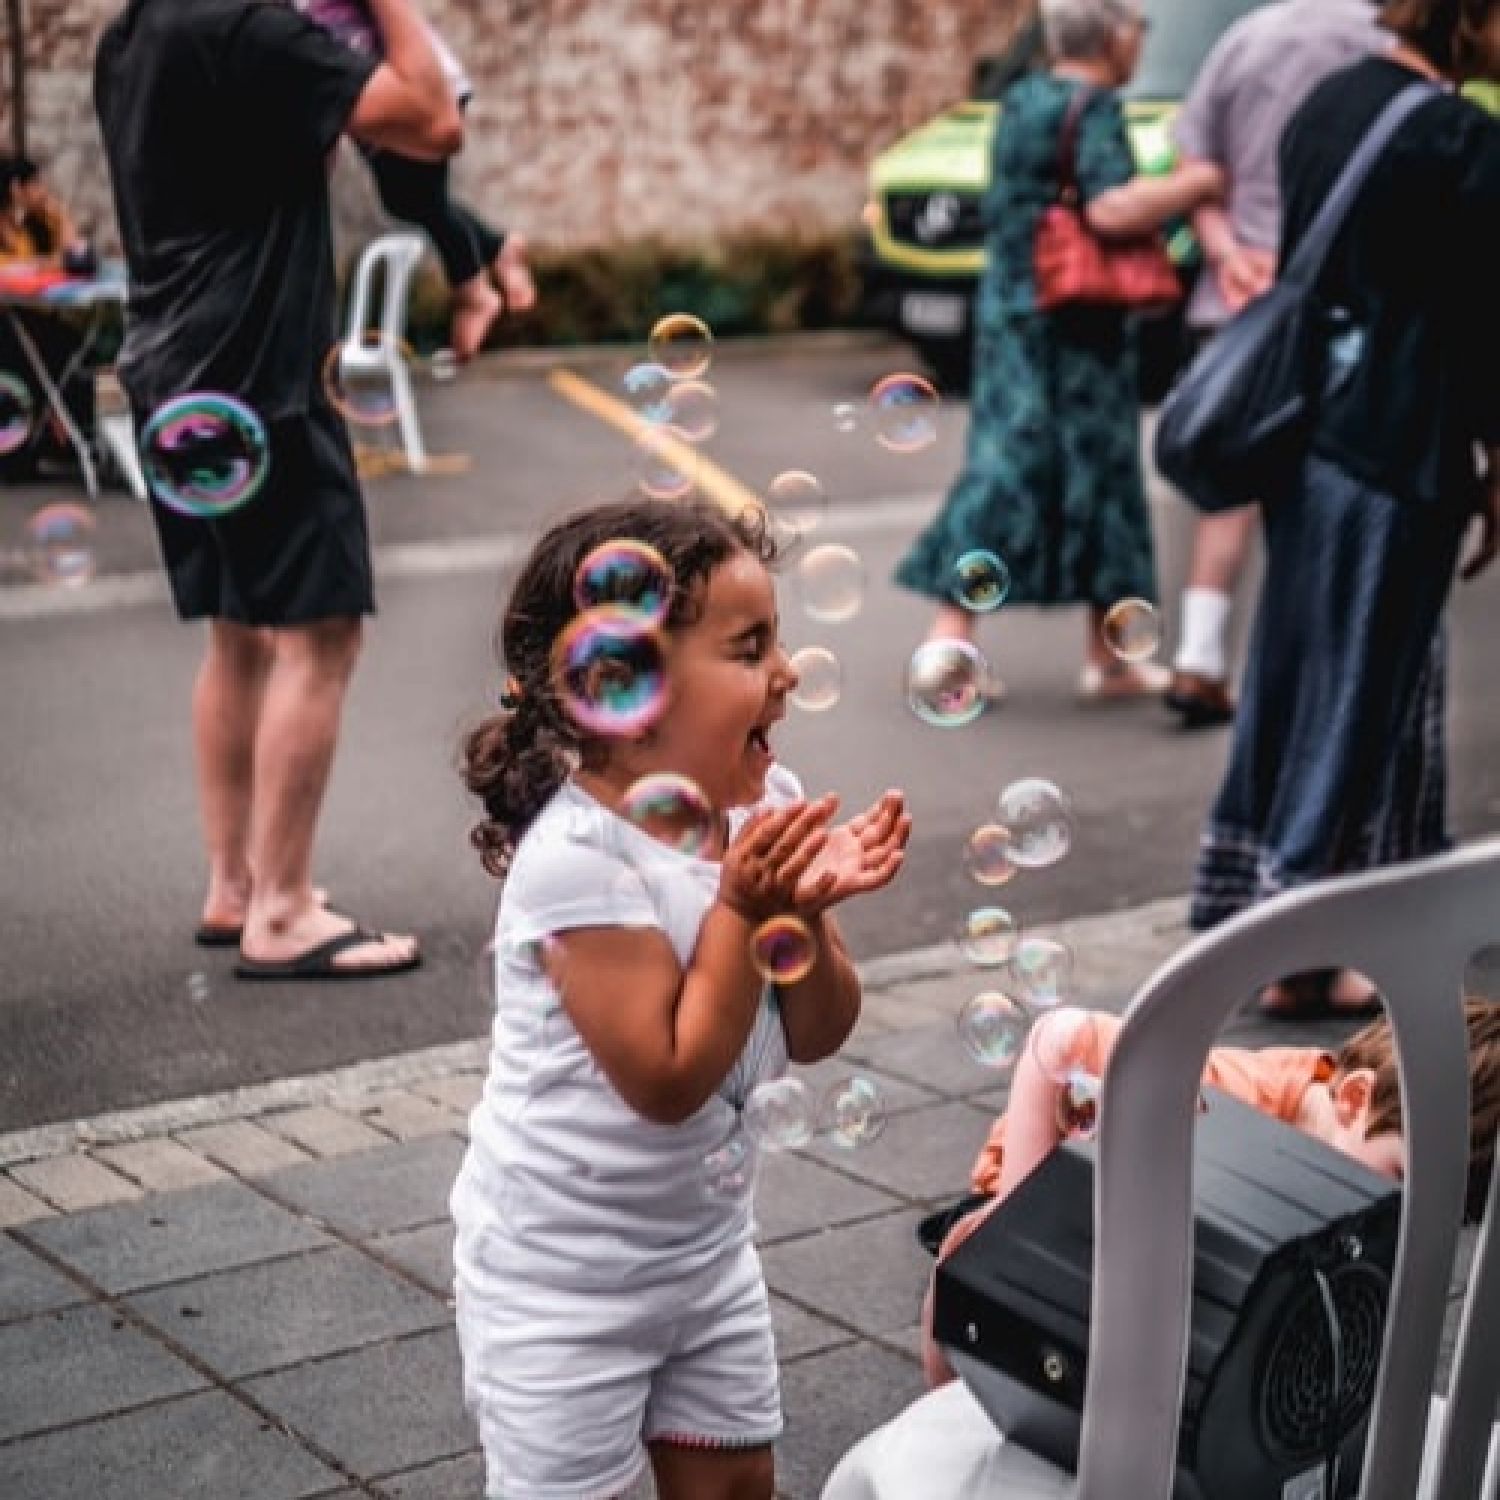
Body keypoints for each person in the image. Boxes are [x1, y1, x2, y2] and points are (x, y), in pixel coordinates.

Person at [450, 497, 911, 1500]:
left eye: (779, 642)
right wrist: (746, 906)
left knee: (740, 1484)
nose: (786, 672)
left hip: (702, 1259)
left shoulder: (766, 806)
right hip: (558, 1287)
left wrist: (800, 910)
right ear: (624, 688)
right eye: (750, 650)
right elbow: (667, 1076)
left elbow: (822, 1028)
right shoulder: (577, 861)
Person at [94, 0, 462, 977]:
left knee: (239, 628)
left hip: (172, 372)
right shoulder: (256, 29)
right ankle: (286, 911)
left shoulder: (134, 31)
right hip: (264, 378)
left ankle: (236, 885)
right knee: (323, 633)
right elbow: (433, 118)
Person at [1189, 0, 1500, 1017]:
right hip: (1402, 447)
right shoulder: (1461, 137)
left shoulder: (1330, 102)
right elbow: (1478, 325)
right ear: (1473, 16)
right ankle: (1305, 937)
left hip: (1311, 432)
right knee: (1372, 684)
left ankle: (1323, 925)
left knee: (1319, 667)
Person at [894, 0, 1223, 704]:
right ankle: (973, 648)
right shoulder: (1096, 105)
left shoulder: (1019, 100)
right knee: (1082, 474)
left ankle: (1062, 652)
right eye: (1137, 28)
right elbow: (1109, 210)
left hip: (1013, 314)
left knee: (1015, 466)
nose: (1139, 42)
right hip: (1080, 328)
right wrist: (1196, 184)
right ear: (1110, 37)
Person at [921, 998, 1500, 1388]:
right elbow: (1063, 1036)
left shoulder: (1356, 1146)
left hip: (1160, 1222)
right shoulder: (1229, 1097)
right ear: (1350, 1100)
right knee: (970, 1277)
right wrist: (1015, 1213)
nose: (1396, 1216)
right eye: (1399, 1179)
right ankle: (944, 1427)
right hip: (1055, 1176)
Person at [1162, 0, 1389, 729]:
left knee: (1230, 489)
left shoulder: (1245, 38)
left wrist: (1226, 252)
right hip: (1345, 305)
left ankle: (1198, 656)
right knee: (1331, 494)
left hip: (1241, 298)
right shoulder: (1382, 43)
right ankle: (1323, 676)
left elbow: (1198, 169)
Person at [293, 0, 536, 360]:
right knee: (404, 199)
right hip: (374, 96)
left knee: (422, 199)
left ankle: (474, 292)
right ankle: (497, 248)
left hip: (417, 90)